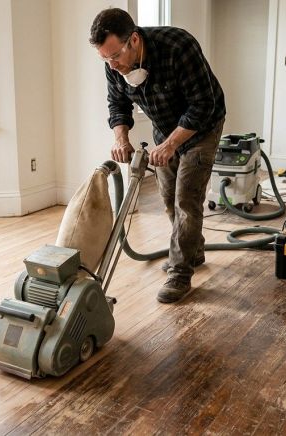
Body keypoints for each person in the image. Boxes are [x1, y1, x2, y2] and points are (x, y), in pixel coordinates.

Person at [89, 8, 226, 303]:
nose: (112, 65)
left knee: (186, 199)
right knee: (168, 199)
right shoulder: (114, 66)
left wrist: (172, 145)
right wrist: (121, 138)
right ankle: (193, 251)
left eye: (115, 56)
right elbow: (117, 105)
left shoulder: (178, 46)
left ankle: (180, 272)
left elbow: (203, 104)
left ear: (134, 40)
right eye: (105, 59)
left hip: (202, 127)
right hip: (164, 128)